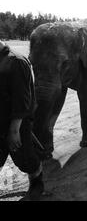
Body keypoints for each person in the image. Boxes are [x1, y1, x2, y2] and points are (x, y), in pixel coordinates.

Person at [0, 41, 44, 200]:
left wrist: (14, 131)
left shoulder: (16, 62)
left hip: (17, 123)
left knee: (26, 159)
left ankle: (37, 181)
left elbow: (22, 101)